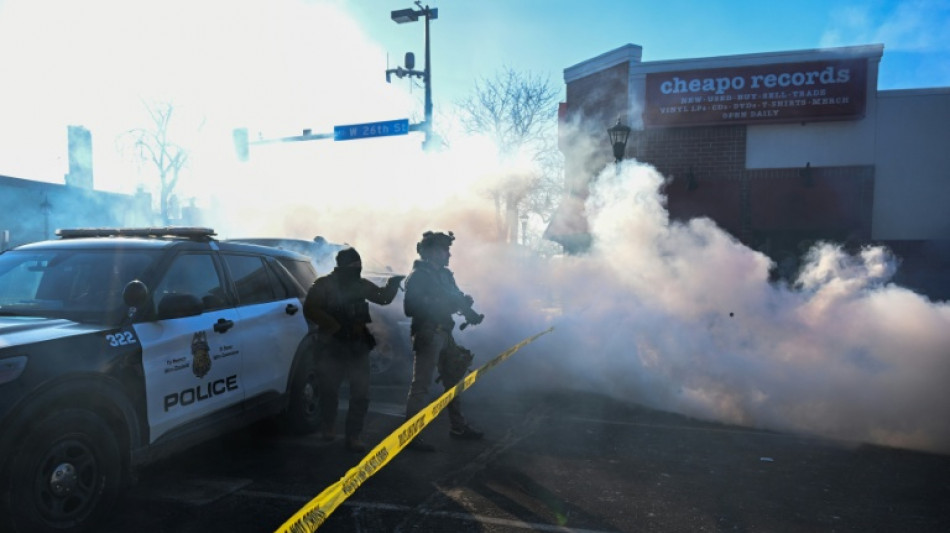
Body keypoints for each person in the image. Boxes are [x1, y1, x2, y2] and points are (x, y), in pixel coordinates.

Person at [303, 247, 403, 452]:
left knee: (361, 394)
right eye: (353, 265)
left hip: (357, 345)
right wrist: (334, 326)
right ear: (342, 266)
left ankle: (354, 436)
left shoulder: (360, 284)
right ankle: (328, 427)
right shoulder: (324, 285)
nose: (357, 268)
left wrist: (393, 284)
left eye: (359, 265)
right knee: (329, 390)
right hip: (332, 345)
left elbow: (382, 298)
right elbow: (310, 308)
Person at [403, 231, 485, 452]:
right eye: (444, 250)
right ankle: (411, 435)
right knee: (421, 386)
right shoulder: (418, 276)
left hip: (445, 333)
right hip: (428, 333)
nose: (449, 254)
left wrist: (470, 312)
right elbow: (409, 308)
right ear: (430, 252)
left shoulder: (446, 276)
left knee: (454, 381)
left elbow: (456, 297)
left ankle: (458, 427)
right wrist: (442, 303)